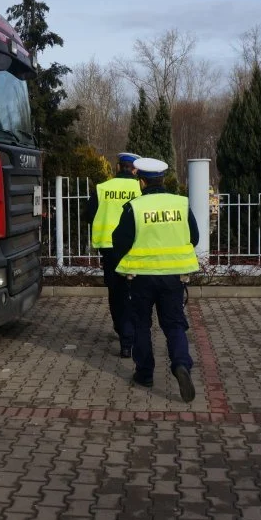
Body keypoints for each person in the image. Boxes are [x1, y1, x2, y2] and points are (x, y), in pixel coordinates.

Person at [111, 157, 201, 403]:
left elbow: (119, 242)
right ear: (163, 179)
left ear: (142, 182)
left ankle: (145, 373)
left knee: (141, 324)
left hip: (140, 278)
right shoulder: (181, 204)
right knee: (174, 324)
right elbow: (194, 237)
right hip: (173, 278)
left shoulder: (135, 207)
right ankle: (182, 364)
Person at [85, 152, 142, 357]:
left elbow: (88, 215)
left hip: (109, 248)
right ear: (135, 170)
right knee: (134, 291)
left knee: (116, 292)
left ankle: (122, 331)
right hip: (135, 248)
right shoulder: (141, 189)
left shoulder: (102, 188)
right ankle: (132, 334)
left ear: (117, 167)